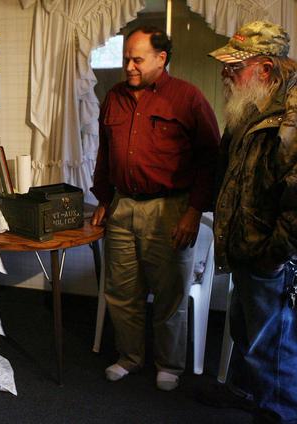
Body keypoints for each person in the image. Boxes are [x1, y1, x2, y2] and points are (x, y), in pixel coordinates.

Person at [90, 26, 220, 391]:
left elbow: (210, 159)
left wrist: (195, 211)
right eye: (125, 59)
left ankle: (169, 365)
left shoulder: (187, 98)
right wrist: (103, 198)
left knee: (170, 293)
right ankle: (129, 358)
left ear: (161, 59)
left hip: (170, 210)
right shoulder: (114, 97)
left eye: (137, 60)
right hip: (123, 207)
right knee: (121, 290)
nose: (129, 67)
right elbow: (105, 153)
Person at [204, 21, 297, 423]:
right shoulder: (250, 105)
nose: (227, 73)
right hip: (246, 245)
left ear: (265, 69)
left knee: (274, 343)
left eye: (235, 67)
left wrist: (273, 255)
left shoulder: (292, 118)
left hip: (270, 255)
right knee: (244, 329)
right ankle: (246, 391)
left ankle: (280, 412)